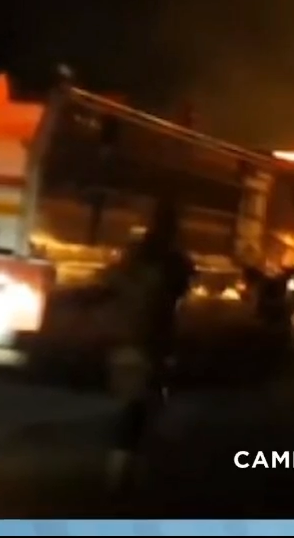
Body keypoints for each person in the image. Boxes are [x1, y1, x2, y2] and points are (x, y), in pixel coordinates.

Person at [105, 203, 196, 495]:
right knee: (146, 407)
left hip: (124, 340)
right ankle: (132, 473)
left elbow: (113, 283)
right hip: (153, 344)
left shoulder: (132, 255)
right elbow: (181, 291)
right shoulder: (175, 261)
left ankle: (119, 470)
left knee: (129, 405)